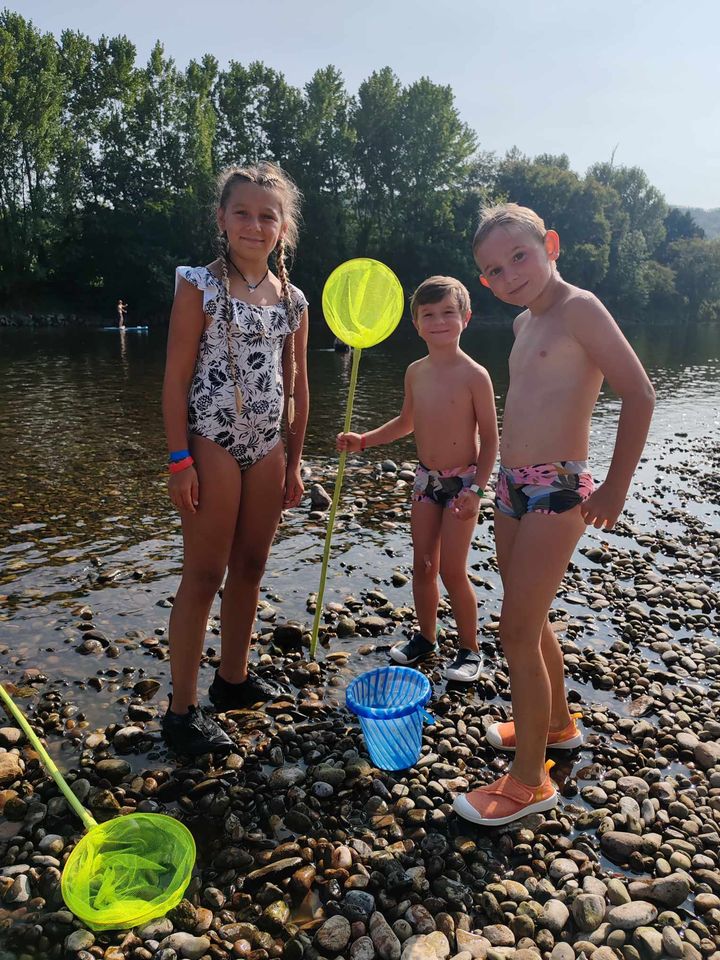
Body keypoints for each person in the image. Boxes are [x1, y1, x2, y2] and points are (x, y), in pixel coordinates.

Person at [454, 204, 655, 826]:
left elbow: (640, 393)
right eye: (494, 269)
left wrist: (616, 486)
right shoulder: (522, 325)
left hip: (559, 489)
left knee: (514, 628)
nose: (510, 274)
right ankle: (559, 725)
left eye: (520, 256)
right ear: (484, 282)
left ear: (551, 245)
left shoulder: (580, 309)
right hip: (514, 487)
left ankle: (528, 782)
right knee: (527, 612)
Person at [161, 161, 309, 755]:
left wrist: (296, 461)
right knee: (203, 573)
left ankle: (233, 678)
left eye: (267, 216)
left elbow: (296, 386)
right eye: (242, 213)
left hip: (268, 446)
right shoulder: (199, 286)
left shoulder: (293, 300)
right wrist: (179, 459)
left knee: (250, 566)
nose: (254, 224)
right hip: (212, 439)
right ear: (222, 219)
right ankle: (181, 710)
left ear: (283, 229)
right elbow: (174, 381)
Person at [337, 277, 498, 683]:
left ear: (466, 317)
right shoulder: (415, 371)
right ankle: (426, 637)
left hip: (463, 483)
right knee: (423, 564)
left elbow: (493, 441)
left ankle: (469, 649)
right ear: (416, 323)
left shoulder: (475, 375)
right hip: (426, 481)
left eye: (448, 312)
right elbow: (406, 423)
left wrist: (478, 491)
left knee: (452, 570)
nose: (439, 321)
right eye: (429, 314)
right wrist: (364, 440)